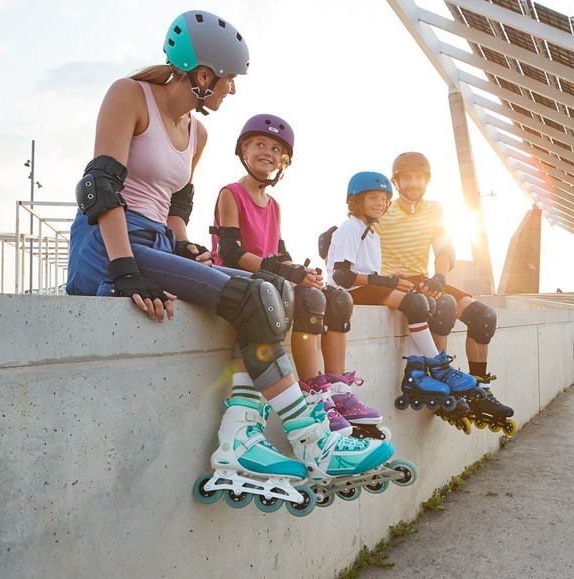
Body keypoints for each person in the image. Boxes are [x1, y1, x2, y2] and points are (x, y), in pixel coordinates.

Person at [65, 11, 395, 516]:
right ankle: (312, 440)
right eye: (229, 79)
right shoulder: (129, 96)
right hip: (107, 243)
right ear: (202, 75)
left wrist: (185, 247)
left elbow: (176, 208)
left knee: (276, 291)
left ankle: (241, 436)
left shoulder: (197, 133)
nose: (232, 91)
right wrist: (124, 268)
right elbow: (100, 187)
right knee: (252, 296)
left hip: (154, 242)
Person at [209, 113, 387, 440]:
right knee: (309, 299)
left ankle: (334, 387)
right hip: (238, 280)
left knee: (338, 297)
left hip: (268, 279)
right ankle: (312, 393)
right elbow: (232, 252)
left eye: (276, 149)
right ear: (243, 150)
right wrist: (286, 271)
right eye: (259, 144)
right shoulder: (230, 194)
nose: (267, 152)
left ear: (284, 160)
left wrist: (301, 271)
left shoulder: (274, 205)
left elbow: (279, 253)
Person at [324, 171, 481, 432]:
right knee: (416, 304)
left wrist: (388, 277)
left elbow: (369, 271)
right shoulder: (351, 227)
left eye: (384, 199)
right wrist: (385, 282)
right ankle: (436, 365)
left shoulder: (371, 232)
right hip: (346, 292)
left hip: (364, 288)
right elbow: (342, 273)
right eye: (372, 198)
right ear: (356, 201)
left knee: (422, 302)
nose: (380, 204)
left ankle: (417, 371)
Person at [378, 152, 516, 434]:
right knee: (445, 306)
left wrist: (440, 276)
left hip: (423, 278)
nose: (413, 183)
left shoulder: (434, 209)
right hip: (394, 282)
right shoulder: (383, 210)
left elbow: (443, 249)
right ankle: (438, 379)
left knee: (483, 316)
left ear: (426, 181)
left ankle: (479, 391)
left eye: (419, 177)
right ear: (397, 182)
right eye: (407, 178)